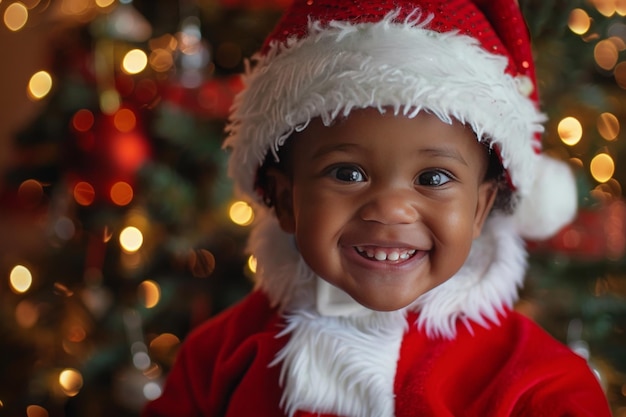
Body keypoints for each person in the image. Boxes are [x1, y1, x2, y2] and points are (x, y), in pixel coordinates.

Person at [142, 0, 612, 416]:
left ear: (480, 208)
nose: (391, 210)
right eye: (347, 173)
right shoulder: (216, 359)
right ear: (286, 200)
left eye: (433, 179)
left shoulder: (541, 389)